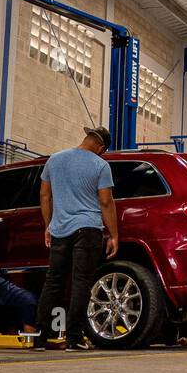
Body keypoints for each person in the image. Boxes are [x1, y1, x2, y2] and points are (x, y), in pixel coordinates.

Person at [33, 126, 119, 350]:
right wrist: (114, 234)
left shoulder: (54, 159)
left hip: (60, 228)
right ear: (101, 148)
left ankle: (41, 338)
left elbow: (44, 195)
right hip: (88, 229)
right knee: (81, 282)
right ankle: (74, 338)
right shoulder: (101, 165)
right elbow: (106, 202)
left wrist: (48, 225)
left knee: (53, 282)